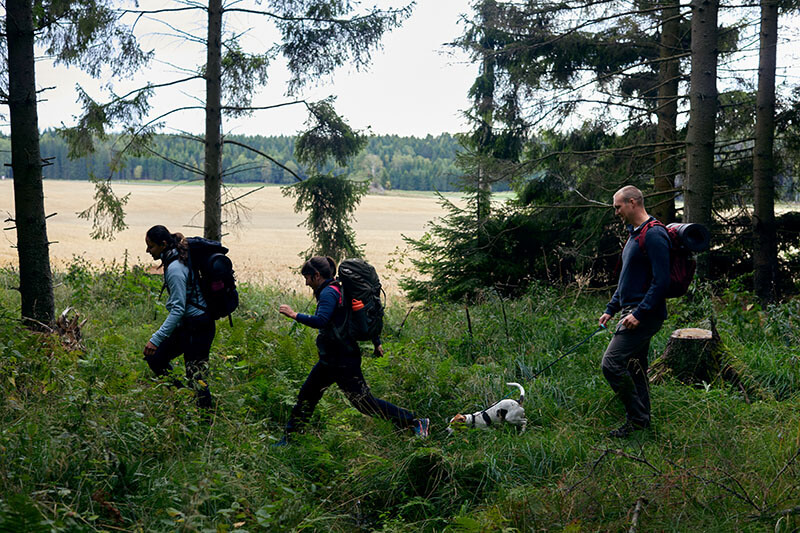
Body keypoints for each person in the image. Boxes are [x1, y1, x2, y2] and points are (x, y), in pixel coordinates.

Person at [275, 256, 429, 445]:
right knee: (308, 395)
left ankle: (414, 421)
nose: (306, 282)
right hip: (332, 359)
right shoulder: (339, 288)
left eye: (307, 277)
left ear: (316, 275)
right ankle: (291, 439)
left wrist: (294, 314)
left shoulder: (329, 293)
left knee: (365, 403)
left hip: (342, 360)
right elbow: (354, 316)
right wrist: (376, 341)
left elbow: (321, 320)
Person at [598, 186, 670, 438]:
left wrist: (639, 313)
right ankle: (642, 422)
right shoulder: (634, 235)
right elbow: (627, 280)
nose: (616, 212)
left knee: (611, 363)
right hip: (630, 311)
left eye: (618, 207)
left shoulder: (654, 235)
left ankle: (637, 418)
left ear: (632, 203)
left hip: (644, 315)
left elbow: (662, 281)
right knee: (635, 367)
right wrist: (611, 308)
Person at [143, 225, 214, 410]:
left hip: (198, 327)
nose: (147, 251)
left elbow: (178, 309)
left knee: (196, 376)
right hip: (191, 325)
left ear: (163, 244)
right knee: (156, 358)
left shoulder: (175, 268)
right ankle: (185, 397)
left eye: (151, 246)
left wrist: (156, 339)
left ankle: (206, 419)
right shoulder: (177, 257)